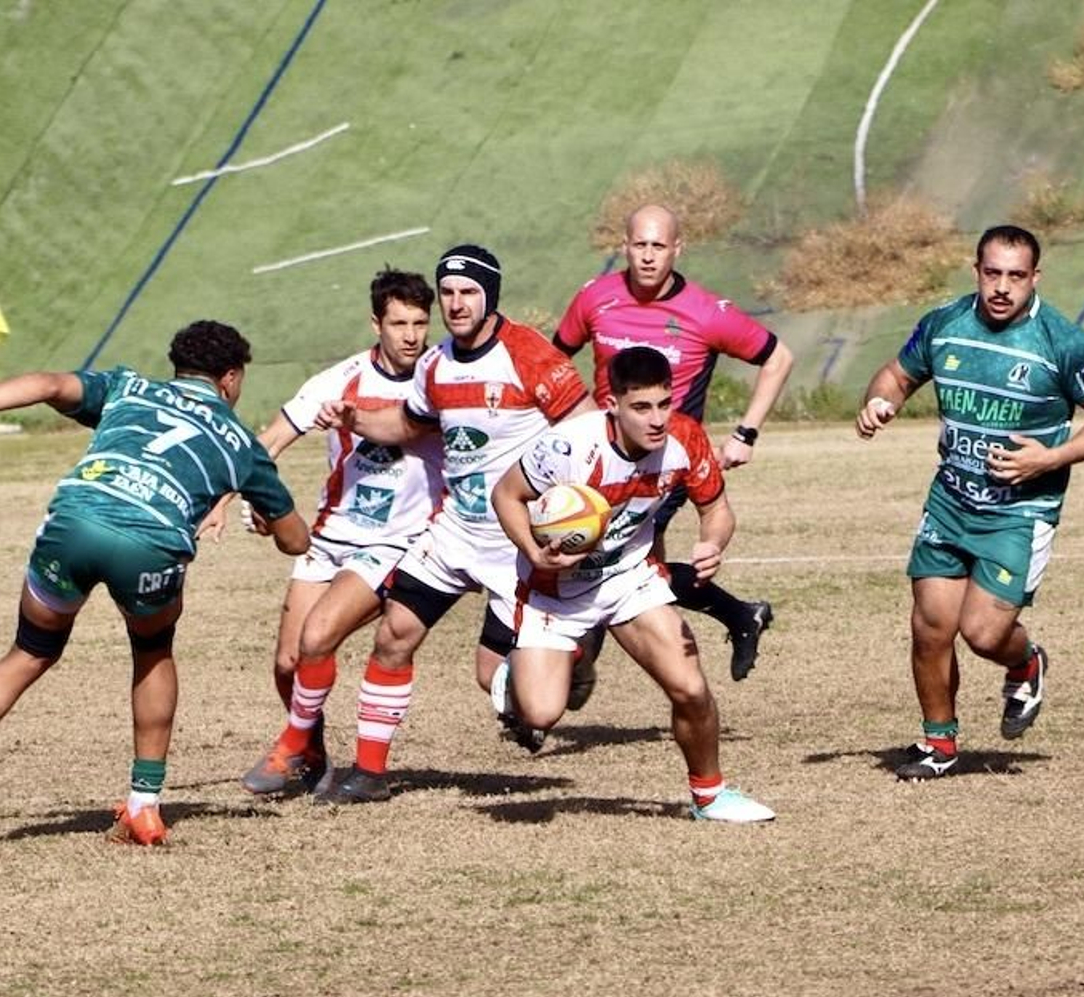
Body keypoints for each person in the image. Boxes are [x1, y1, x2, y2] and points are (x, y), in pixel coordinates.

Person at [0, 321, 308, 845]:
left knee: (29, 650)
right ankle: (142, 806)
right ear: (230, 379)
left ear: (176, 367)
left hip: (76, 518)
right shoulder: (242, 445)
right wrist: (267, 519)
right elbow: (297, 541)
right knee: (153, 651)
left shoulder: (129, 387)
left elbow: (46, 385)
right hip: (149, 544)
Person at [312, 244, 595, 803]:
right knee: (394, 634)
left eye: (468, 292)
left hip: (514, 543)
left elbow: (586, 428)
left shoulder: (529, 355)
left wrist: (573, 511)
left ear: (489, 295)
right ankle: (370, 773)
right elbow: (408, 424)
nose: (456, 303)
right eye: (447, 293)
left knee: (495, 678)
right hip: (453, 533)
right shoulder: (436, 363)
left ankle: (572, 654)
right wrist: (357, 418)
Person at [855, 224, 1084, 779]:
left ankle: (1025, 662)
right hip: (951, 501)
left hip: (1020, 512)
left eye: (1016, 276)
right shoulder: (945, 325)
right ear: (976, 270)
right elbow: (896, 375)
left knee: (983, 634)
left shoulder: (1063, 341)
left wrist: (1050, 459)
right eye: (992, 273)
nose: (1002, 287)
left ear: (1036, 277)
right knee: (931, 626)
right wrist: (879, 403)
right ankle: (940, 744)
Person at [491, 345, 774, 822]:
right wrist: (536, 551)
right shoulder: (570, 447)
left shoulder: (685, 438)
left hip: (628, 577)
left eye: (664, 403)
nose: (657, 418)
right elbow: (506, 495)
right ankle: (522, 670)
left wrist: (712, 543)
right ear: (613, 405)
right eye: (642, 407)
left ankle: (710, 796)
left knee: (690, 688)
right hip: (553, 591)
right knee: (540, 715)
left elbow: (717, 511)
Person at [224, 270, 446, 797]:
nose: (411, 335)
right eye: (399, 323)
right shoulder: (338, 380)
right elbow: (270, 440)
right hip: (331, 535)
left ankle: (289, 748)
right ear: (377, 324)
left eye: (419, 322)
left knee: (318, 635)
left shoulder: (440, 379)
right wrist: (242, 494)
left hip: (399, 540)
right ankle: (311, 755)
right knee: (287, 661)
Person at [553, 203, 794, 681]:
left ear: (677, 249)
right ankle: (740, 615)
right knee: (635, 568)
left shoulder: (706, 311)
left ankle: (575, 667)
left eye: (658, 246)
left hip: (666, 463)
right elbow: (553, 361)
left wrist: (745, 433)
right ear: (624, 247)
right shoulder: (594, 298)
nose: (647, 256)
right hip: (599, 459)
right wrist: (574, 412)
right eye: (639, 245)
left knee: (611, 555)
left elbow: (778, 358)